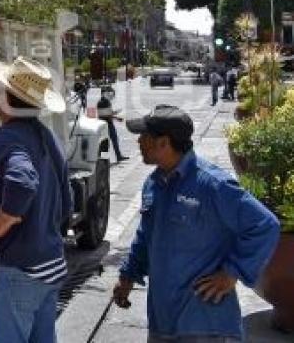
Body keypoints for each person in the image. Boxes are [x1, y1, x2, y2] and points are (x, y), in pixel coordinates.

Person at [113, 105, 280, 342]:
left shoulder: (213, 184)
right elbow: (145, 235)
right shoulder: (154, 183)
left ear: (164, 143)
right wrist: (127, 275)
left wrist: (232, 273)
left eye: (145, 136)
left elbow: (265, 225)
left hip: (205, 324)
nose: (139, 141)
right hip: (162, 321)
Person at [0, 57, 73, 343]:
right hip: (50, 263)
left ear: (7, 99)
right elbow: (66, 202)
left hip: (18, 269)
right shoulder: (47, 136)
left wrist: (3, 220)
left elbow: (22, 180)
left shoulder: (7, 137)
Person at [97, 85, 129, 162]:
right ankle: (109, 158)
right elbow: (106, 115)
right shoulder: (103, 102)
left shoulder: (103, 101)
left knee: (108, 141)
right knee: (109, 142)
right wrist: (117, 118)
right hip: (107, 124)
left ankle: (108, 158)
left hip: (105, 123)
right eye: (110, 93)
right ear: (105, 93)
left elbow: (107, 113)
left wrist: (115, 113)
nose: (111, 95)